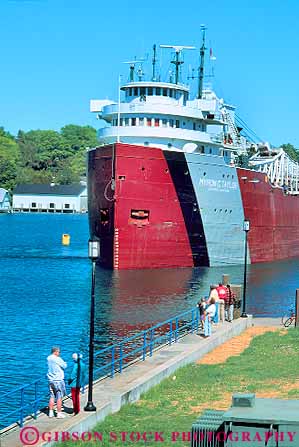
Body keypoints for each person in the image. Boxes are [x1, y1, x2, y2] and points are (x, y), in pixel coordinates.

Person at [47, 346, 67, 418]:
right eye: (59, 352)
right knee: (59, 396)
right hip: (58, 380)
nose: (59, 353)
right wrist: (64, 362)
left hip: (51, 379)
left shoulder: (49, 358)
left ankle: (50, 412)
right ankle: (59, 413)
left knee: (52, 396)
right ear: (55, 352)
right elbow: (64, 366)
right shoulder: (57, 359)